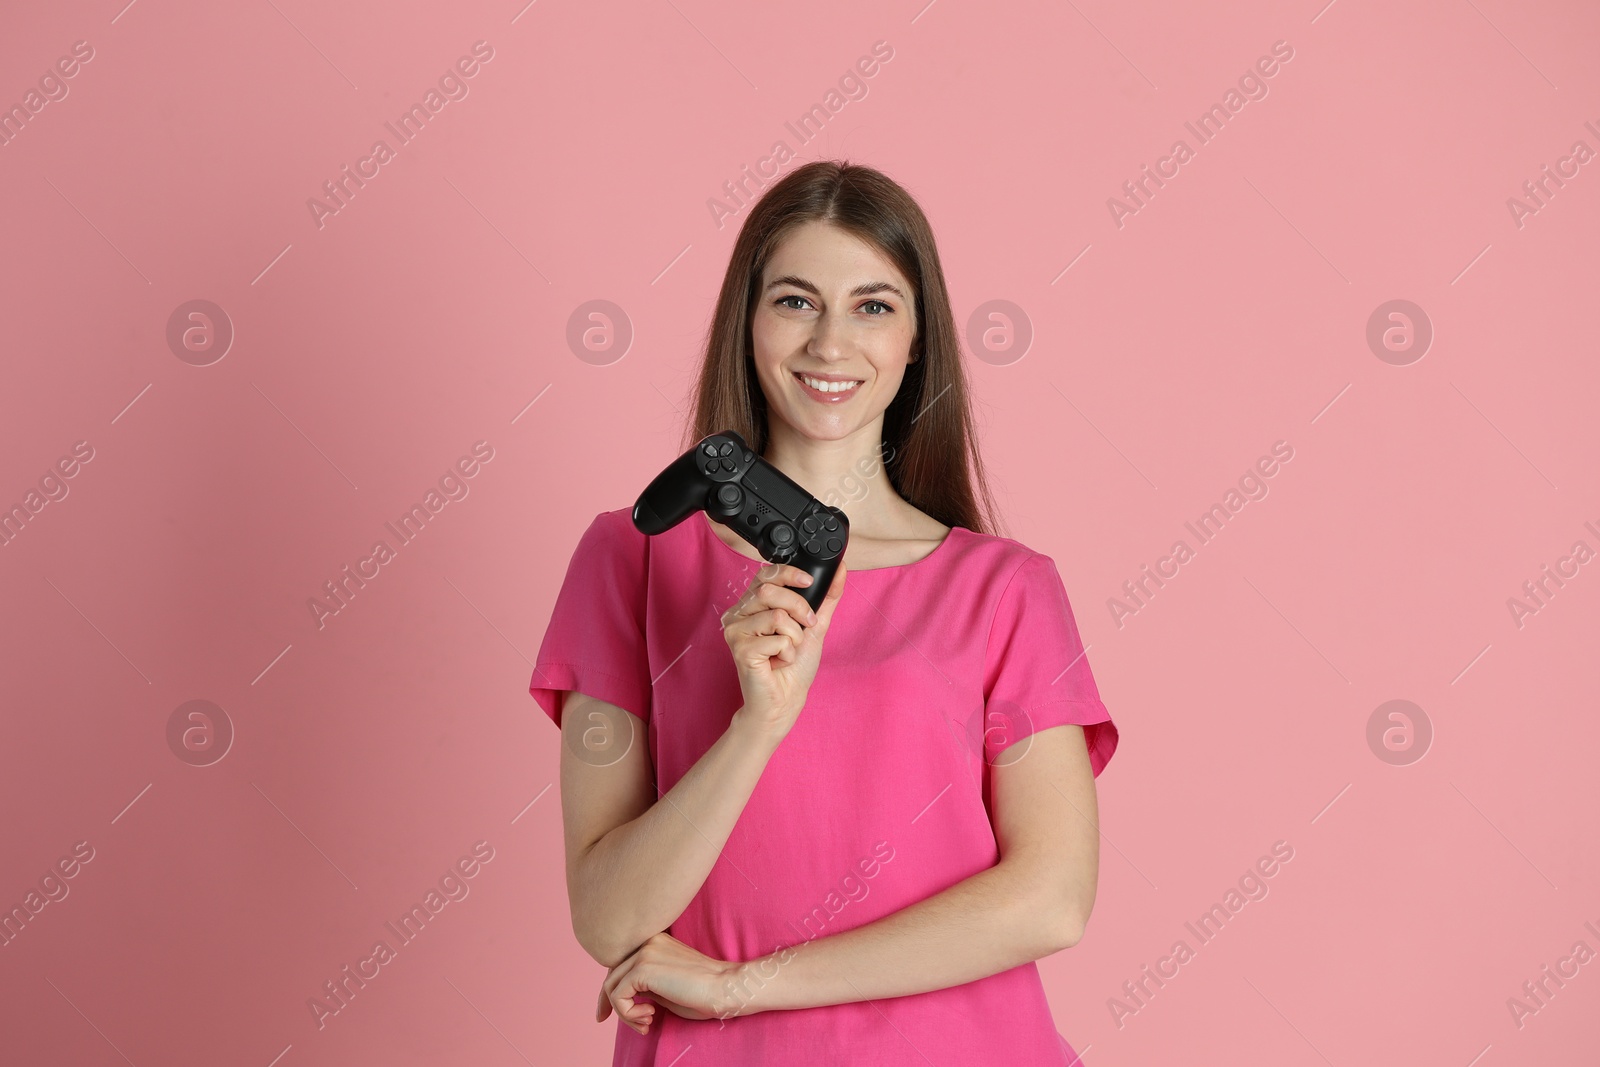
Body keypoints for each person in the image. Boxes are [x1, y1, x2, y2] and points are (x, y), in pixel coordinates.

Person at [529, 159, 1119, 1066]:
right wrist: (755, 727)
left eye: (874, 306)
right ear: (748, 321)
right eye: (797, 301)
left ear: (918, 339)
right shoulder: (632, 558)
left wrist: (740, 986)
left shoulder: (1005, 590)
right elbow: (609, 916)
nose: (831, 343)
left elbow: (1050, 898)